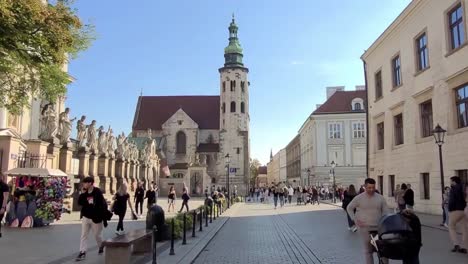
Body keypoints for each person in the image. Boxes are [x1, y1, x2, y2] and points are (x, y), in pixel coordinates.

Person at [347, 178, 389, 264]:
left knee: (382, 251)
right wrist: (355, 220)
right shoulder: (359, 198)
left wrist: (385, 222)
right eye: (369, 187)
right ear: (365, 187)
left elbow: (386, 212)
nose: (372, 189)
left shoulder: (380, 198)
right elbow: (349, 208)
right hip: (364, 229)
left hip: (379, 228)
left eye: (373, 187)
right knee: (368, 251)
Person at [76, 177, 106, 261]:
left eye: (85, 183)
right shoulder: (84, 192)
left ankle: (101, 246)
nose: (83, 184)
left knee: (97, 235)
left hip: (96, 218)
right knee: (84, 235)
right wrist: (82, 193)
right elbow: (79, 203)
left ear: (90, 183)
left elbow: (101, 204)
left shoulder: (97, 192)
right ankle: (82, 252)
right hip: (86, 217)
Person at [447, 176, 467, 254]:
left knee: (451, 226)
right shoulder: (463, 187)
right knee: (464, 228)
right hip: (464, 209)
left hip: (455, 210)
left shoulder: (454, 188)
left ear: (454, 181)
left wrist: (450, 209)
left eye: (451, 181)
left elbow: (451, 200)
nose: (450, 183)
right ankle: (465, 247)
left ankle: (456, 245)